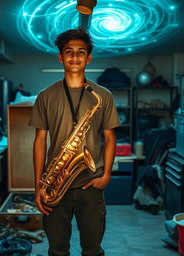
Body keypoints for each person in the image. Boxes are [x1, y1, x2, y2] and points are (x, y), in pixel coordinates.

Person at [30, 28, 120, 256]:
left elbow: (110, 138)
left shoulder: (103, 95)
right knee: (57, 250)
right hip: (55, 184)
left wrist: (106, 175)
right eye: (69, 51)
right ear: (60, 57)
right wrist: (38, 185)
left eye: (81, 52)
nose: (75, 56)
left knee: (92, 250)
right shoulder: (45, 96)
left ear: (89, 58)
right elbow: (40, 141)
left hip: (90, 183)